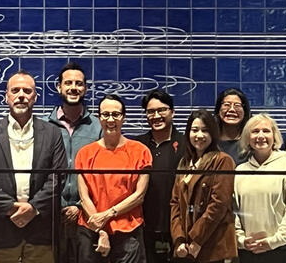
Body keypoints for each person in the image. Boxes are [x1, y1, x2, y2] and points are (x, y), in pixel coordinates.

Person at [0, 70, 67, 263]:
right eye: (15, 90)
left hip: (41, 231)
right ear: (6, 96)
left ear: (35, 97)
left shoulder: (53, 133)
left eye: (27, 90)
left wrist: (33, 208)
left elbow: (58, 177)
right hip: (0, 231)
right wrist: (10, 208)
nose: (21, 95)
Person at [75, 93, 152, 263]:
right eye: (106, 114)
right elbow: (84, 196)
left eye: (116, 114)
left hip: (128, 231)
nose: (111, 119)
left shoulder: (140, 151)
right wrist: (101, 230)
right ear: (99, 117)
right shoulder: (85, 153)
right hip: (91, 230)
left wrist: (108, 214)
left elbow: (139, 196)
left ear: (123, 117)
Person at [233, 113, 286, 263]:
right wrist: (241, 240)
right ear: (247, 138)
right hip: (250, 252)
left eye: (266, 131)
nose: (260, 136)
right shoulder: (240, 171)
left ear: (275, 136)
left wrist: (273, 242)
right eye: (255, 131)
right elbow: (233, 211)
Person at [45, 62, 101, 263]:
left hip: (86, 215)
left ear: (85, 88)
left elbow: (101, 176)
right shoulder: (43, 125)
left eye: (79, 83)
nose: (73, 87)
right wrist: (56, 204)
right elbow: (39, 172)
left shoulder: (97, 127)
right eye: (68, 83)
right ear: (59, 87)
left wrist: (79, 205)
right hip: (50, 215)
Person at [169, 110, 237, 263]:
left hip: (212, 247)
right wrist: (179, 239)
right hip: (185, 247)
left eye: (205, 130)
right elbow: (175, 203)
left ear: (213, 134)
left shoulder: (222, 160)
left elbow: (218, 204)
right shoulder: (184, 162)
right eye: (194, 130)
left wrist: (197, 240)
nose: (199, 135)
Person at [135, 89, 186, 263]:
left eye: (162, 110)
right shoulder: (137, 145)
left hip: (180, 228)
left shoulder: (187, 145)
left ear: (173, 112)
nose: (156, 116)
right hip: (143, 228)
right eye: (150, 112)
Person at [213, 89, 249, 165]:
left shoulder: (251, 141)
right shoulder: (210, 140)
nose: (232, 109)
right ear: (218, 110)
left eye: (237, 105)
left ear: (245, 111)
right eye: (226, 105)